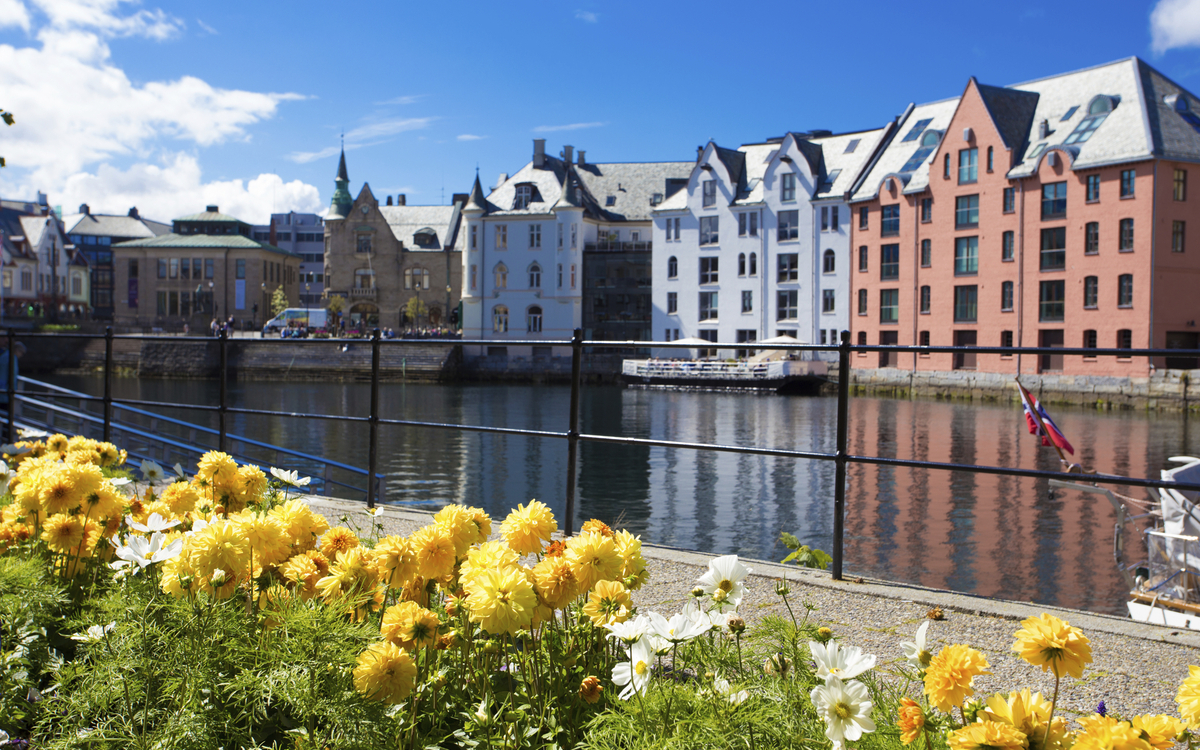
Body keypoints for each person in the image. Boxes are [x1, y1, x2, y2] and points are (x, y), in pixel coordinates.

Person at [0, 342, 26, 443]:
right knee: (7, 419)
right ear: (17, 350)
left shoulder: (4, 356)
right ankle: (7, 442)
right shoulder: (11, 358)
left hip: (3, 392)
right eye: (21, 353)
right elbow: (12, 377)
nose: (21, 356)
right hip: (5, 394)